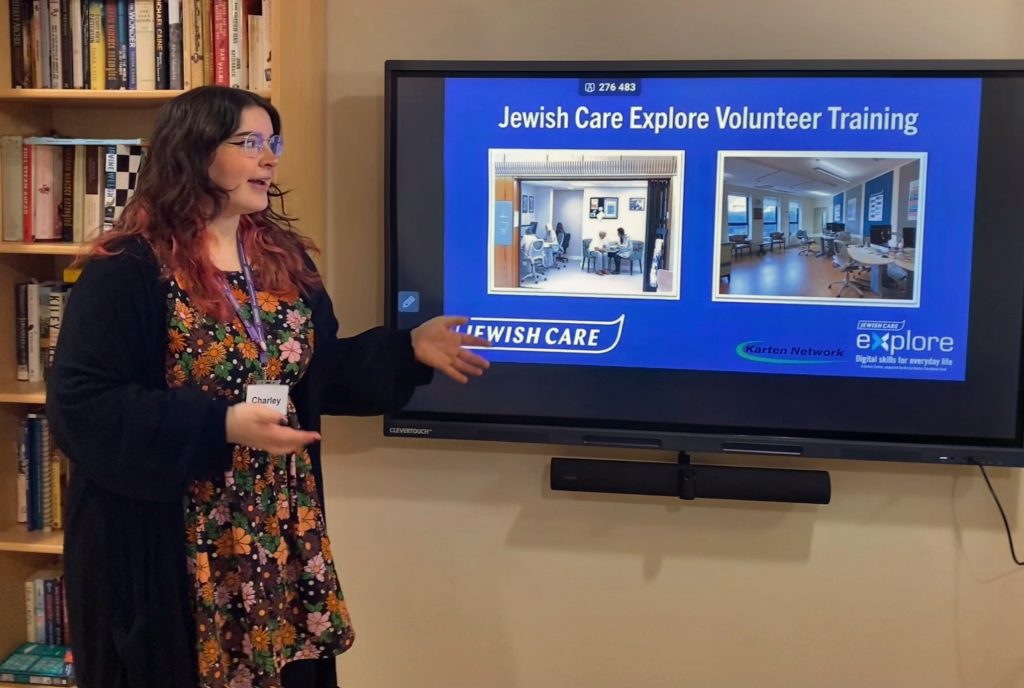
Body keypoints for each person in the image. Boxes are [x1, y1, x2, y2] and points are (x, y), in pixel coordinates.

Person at [46, 86, 490, 688]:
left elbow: (315, 375)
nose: (269, 157)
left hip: (276, 526)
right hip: (174, 539)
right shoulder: (127, 268)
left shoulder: (282, 261)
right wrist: (222, 425)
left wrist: (407, 349)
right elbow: (82, 407)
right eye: (249, 142)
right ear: (194, 151)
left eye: (272, 142)